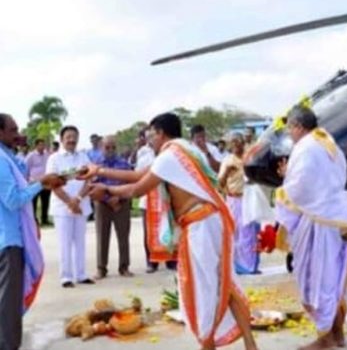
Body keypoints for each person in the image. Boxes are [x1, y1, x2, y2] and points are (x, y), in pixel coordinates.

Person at [82, 113, 257, 350]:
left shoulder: (169, 156)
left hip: (201, 226)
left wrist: (106, 189)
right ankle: (250, 344)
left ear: (161, 133)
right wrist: (100, 172)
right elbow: (137, 174)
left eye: (151, 135)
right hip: (211, 222)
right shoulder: (186, 150)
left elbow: (136, 188)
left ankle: (208, 346)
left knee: (202, 289)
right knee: (223, 281)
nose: (149, 140)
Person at [275, 106, 347, 350]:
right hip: (339, 216)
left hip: (321, 221)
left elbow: (299, 189)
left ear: (298, 126)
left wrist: (282, 192)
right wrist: (289, 176)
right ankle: (337, 334)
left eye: (290, 127)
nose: (290, 133)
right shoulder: (327, 142)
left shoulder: (306, 147)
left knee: (318, 279)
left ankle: (325, 339)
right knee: (335, 279)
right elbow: (323, 180)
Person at [0, 113, 65, 350]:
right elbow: (13, 200)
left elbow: (19, 180)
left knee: (9, 304)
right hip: (8, 240)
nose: (18, 134)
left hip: (10, 238)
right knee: (8, 306)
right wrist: (42, 184)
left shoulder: (8, 157)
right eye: (13, 130)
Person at [46, 126, 95, 288]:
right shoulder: (54, 159)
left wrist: (78, 199)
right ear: (61, 139)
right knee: (65, 242)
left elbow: (90, 180)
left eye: (74, 137)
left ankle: (81, 274)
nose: (71, 140)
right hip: (62, 208)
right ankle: (66, 276)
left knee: (80, 242)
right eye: (68, 137)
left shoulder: (83, 157)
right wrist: (70, 202)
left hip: (81, 204)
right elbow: (53, 184)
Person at [133, 129, 176, 273]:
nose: (152, 139)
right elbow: (137, 177)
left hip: (166, 199)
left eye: (154, 136)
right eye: (149, 137)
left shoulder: (169, 155)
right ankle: (151, 261)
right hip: (148, 200)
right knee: (149, 231)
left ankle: (171, 260)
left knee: (170, 228)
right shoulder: (145, 157)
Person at [219, 133, 259, 274]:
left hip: (248, 199)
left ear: (243, 143)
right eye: (233, 143)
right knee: (235, 233)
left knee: (249, 233)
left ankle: (251, 266)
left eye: (238, 142)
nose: (236, 145)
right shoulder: (227, 161)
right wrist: (227, 172)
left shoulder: (249, 159)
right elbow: (220, 183)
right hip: (233, 200)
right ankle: (238, 266)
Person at [94, 136, 133, 279]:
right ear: (101, 148)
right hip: (103, 204)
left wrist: (119, 198)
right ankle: (101, 268)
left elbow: (130, 182)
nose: (110, 150)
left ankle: (124, 267)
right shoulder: (96, 165)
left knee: (123, 236)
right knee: (102, 236)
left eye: (113, 147)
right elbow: (92, 185)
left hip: (121, 203)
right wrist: (108, 199)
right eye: (107, 147)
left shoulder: (124, 163)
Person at [25, 138, 52, 226]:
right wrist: (27, 182)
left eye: (43, 145)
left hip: (45, 183)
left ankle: (45, 219)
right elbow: (26, 169)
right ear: (36, 146)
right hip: (34, 183)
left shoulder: (47, 155)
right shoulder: (30, 156)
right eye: (40, 145)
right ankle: (34, 221)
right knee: (34, 203)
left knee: (46, 202)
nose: (42, 146)